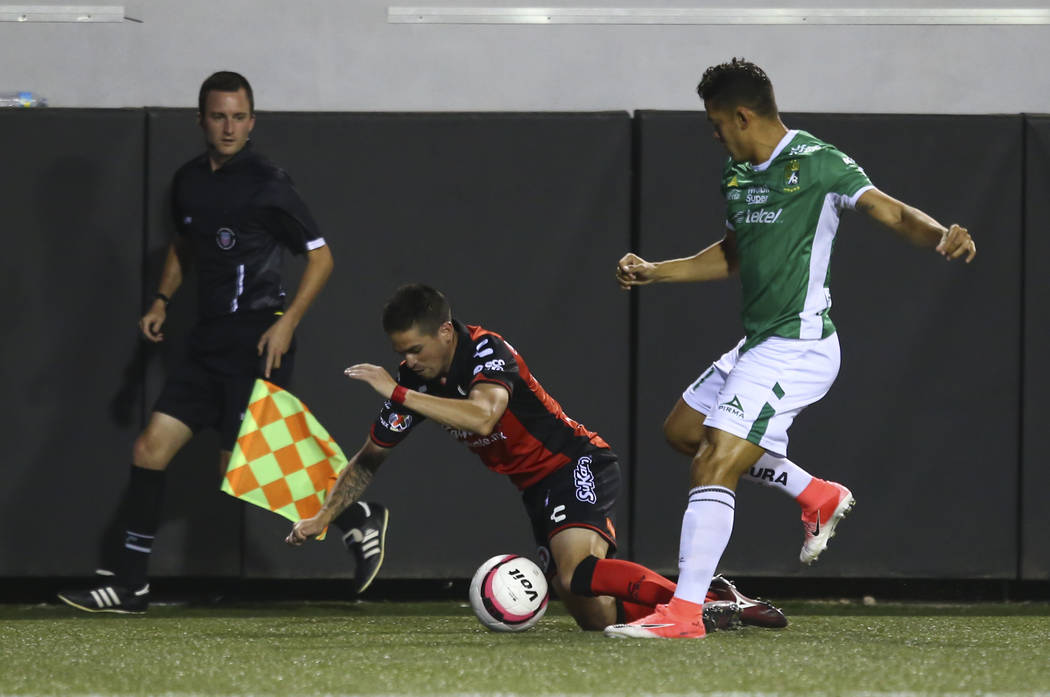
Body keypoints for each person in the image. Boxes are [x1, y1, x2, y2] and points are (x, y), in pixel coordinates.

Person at [607, 58, 976, 639]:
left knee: (714, 460)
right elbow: (733, 255)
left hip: (798, 348)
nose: (714, 134)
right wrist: (657, 272)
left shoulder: (819, 163)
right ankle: (815, 493)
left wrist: (940, 236)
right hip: (758, 343)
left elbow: (891, 210)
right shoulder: (737, 174)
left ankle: (683, 614)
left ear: (742, 115)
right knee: (683, 432)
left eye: (716, 122)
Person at [57, 71, 382, 613]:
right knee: (149, 449)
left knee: (246, 462)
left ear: (252, 121)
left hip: (258, 340)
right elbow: (185, 246)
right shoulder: (188, 181)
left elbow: (321, 258)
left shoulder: (269, 183)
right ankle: (131, 582)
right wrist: (161, 300)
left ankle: (354, 516)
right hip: (206, 342)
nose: (228, 126)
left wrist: (287, 323)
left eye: (238, 116)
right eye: (218, 116)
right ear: (201, 119)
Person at [285, 284, 787, 632]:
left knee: (576, 575)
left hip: (574, 463)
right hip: (537, 489)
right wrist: (323, 516)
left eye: (414, 349)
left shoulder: (486, 350)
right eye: (400, 353)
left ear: (444, 332)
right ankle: (703, 596)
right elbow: (370, 457)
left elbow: (483, 416)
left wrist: (396, 390)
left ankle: (699, 603)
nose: (407, 361)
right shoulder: (414, 381)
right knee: (598, 618)